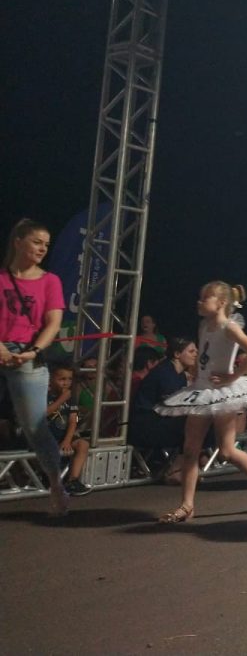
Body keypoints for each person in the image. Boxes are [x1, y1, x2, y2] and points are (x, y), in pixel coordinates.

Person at [154, 283, 247, 523]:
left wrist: (233, 377)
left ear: (221, 303)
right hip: (202, 391)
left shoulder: (229, 327)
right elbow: (205, 357)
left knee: (227, 450)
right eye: (200, 297)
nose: (199, 301)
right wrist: (196, 376)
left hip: (222, 393)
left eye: (205, 298)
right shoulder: (203, 325)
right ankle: (187, 505)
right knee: (190, 449)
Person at [0, 218, 71, 515]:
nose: (42, 248)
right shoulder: (2, 278)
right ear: (18, 242)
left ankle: (56, 484)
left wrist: (33, 351)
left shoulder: (49, 281)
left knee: (34, 426)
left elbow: (53, 322)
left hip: (28, 353)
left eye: (46, 244)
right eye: (37, 242)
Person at [129, 336, 197, 481]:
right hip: (145, 425)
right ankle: (176, 470)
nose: (195, 355)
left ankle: (185, 467)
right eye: (191, 351)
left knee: (200, 423)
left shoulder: (179, 374)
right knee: (193, 425)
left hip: (161, 420)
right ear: (177, 354)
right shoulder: (164, 373)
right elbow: (170, 404)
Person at [46, 364, 91, 495]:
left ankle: (73, 480)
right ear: (51, 379)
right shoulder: (44, 394)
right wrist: (61, 400)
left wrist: (67, 440)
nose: (66, 383)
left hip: (62, 436)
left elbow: (73, 420)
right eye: (62, 379)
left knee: (83, 444)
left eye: (69, 379)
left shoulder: (71, 397)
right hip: (46, 437)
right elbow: (42, 414)